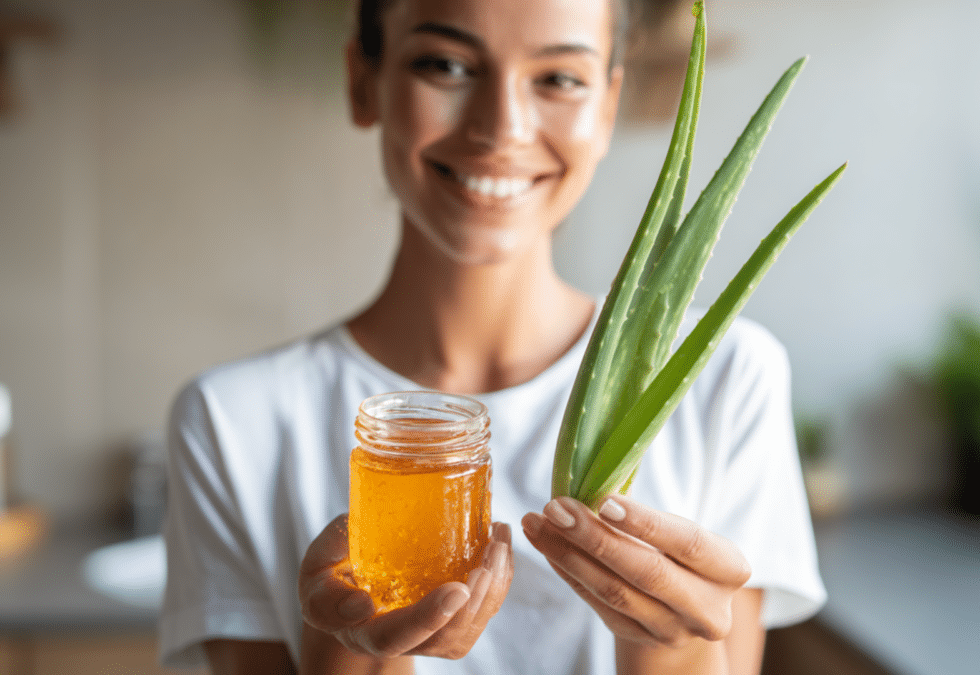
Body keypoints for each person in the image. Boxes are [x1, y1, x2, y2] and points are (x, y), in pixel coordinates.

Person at [158, 0, 825, 673]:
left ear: (607, 105)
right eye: (445, 65)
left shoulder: (725, 377)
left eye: (559, 78)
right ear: (363, 82)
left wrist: (672, 646)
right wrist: (353, 647)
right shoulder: (230, 419)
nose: (502, 127)